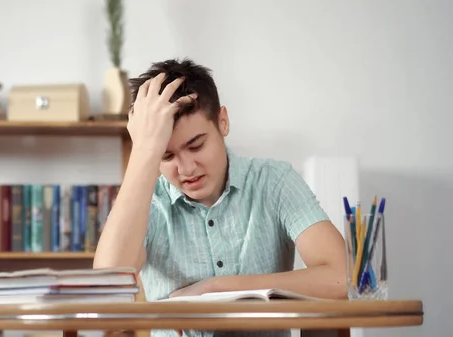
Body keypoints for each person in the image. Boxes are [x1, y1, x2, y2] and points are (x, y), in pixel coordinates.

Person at [93, 58, 347, 337]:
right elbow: (108, 291)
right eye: (166, 155)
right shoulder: (147, 202)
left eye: (197, 145)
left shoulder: (273, 180)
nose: (186, 169)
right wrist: (143, 151)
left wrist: (216, 289)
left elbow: (342, 277)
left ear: (223, 121)